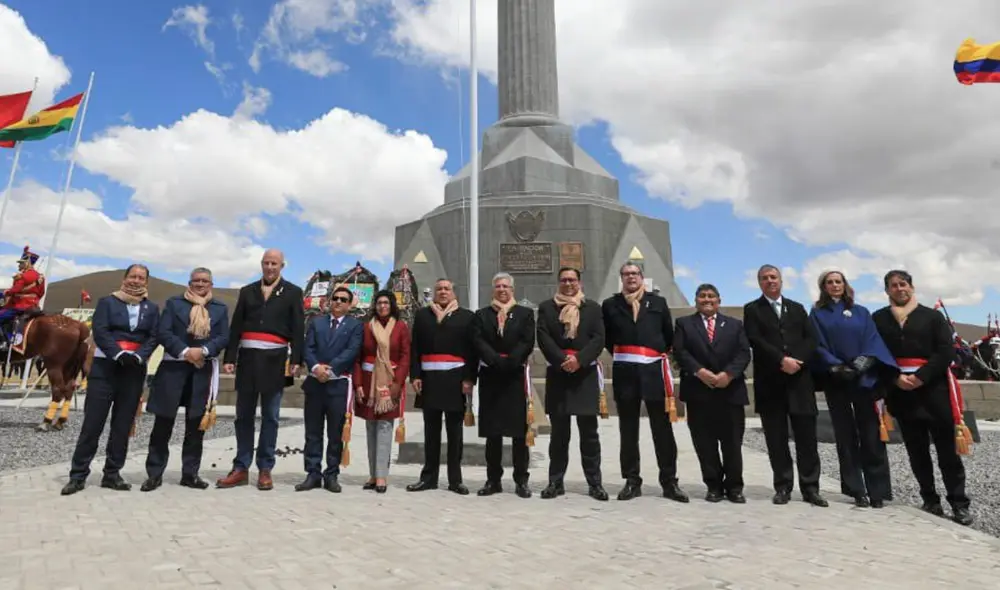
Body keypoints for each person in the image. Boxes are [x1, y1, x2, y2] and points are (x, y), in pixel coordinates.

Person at [872, 270, 973, 525]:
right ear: (887, 291)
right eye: (893, 286)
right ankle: (930, 499)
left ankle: (958, 502)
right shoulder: (879, 319)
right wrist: (895, 377)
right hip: (901, 393)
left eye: (902, 284)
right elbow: (875, 352)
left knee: (948, 452)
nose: (898, 289)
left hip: (934, 392)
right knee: (917, 452)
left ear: (911, 287)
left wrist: (921, 377)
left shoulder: (932, 317)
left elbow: (945, 350)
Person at [61, 264, 159, 495]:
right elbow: (101, 330)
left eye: (141, 277)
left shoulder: (152, 308)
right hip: (106, 368)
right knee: (93, 424)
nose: (136, 280)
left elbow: (154, 336)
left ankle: (112, 474)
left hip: (134, 369)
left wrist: (139, 356)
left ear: (146, 282)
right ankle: (78, 475)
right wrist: (118, 353)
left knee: (122, 425)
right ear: (124, 278)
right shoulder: (108, 303)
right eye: (132, 276)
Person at [217, 249, 305, 491]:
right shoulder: (248, 291)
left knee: (271, 417)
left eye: (274, 263)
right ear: (261, 265)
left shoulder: (293, 292)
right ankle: (241, 467)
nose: (269, 267)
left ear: (282, 266)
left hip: (275, 362)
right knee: (243, 416)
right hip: (247, 361)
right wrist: (230, 356)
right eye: (266, 263)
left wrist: (297, 359)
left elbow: (298, 328)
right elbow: (236, 326)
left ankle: (265, 468)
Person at [601, 262, 688, 502]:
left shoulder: (657, 303)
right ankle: (631, 480)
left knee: (662, 429)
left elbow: (667, 336)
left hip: (653, 373)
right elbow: (608, 338)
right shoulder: (610, 305)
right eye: (626, 274)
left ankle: (669, 481)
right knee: (628, 430)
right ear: (621, 278)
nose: (630, 277)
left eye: (634, 274)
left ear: (642, 277)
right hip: (625, 373)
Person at [742, 265, 828, 507]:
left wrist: (797, 360)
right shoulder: (752, 310)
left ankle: (811, 487)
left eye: (773, 277)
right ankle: (783, 486)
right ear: (759, 282)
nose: (770, 281)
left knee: (806, 439)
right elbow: (755, 340)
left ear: (781, 280)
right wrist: (781, 360)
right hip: (771, 383)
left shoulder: (797, 308)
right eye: (764, 278)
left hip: (800, 381)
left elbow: (811, 338)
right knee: (776, 439)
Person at [809, 270, 895, 508]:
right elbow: (815, 344)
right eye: (829, 282)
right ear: (823, 287)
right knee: (846, 436)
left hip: (863, 380)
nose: (835, 285)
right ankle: (856, 489)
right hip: (836, 382)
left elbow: (872, 340)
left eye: (838, 281)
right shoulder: (817, 314)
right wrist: (835, 366)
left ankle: (877, 490)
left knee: (871, 435)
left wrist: (860, 365)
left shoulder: (861, 312)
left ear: (845, 285)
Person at [140, 267, 229, 492]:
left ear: (211, 284)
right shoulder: (174, 303)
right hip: (173, 369)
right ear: (189, 282)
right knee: (163, 424)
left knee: (195, 425)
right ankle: (154, 474)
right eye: (196, 280)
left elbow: (223, 337)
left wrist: (205, 351)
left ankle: (190, 474)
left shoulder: (219, 308)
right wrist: (185, 352)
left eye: (205, 281)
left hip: (202, 371)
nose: (200, 284)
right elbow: (164, 332)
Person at [673, 283, 751, 503]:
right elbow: (680, 351)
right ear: (696, 300)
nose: (707, 300)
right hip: (699, 392)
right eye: (702, 296)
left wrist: (728, 375)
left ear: (719, 300)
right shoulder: (684, 324)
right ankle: (714, 486)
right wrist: (700, 372)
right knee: (704, 443)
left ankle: (735, 487)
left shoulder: (735, 325)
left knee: (732, 442)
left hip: (730, 391)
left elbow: (743, 353)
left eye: (711, 296)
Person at [536, 267, 608, 501]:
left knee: (589, 434)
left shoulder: (593, 308)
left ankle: (595, 483)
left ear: (580, 282)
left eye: (572, 280)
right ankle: (555, 482)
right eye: (564, 280)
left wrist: (579, 360)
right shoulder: (547, 308)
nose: (568, 283)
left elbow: (599, 338)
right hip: (559, 375)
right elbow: (543, 337)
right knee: (559, 435)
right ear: (558, 282)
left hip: (584, 374)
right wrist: (561, 360)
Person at [405, 278, 477, 495]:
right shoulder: (423, 316)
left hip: (455, 380)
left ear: (454, 292)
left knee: (455, 433)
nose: (443, 292)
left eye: (447, 288)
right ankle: (429, 478)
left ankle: (455, 480)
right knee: (431, 431)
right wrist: (415, 375)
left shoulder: (467, 317)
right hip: (429, 380)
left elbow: (472, 351)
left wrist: (469, 379)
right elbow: (415, 347)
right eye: (439, 289)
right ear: (434, 293)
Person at [471, 272, 536, 498]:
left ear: (512, 289)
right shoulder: (482, 315)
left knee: (519, 434)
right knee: (493, 433)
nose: (502, 290)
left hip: (515, 377)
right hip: (491, 377)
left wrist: (510, 362)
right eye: (498, 286)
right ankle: (493, 480)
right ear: (493, 289)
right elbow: (478, 340)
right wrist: (496, 361)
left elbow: (527, 341)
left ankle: (521, 480)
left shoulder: (525, 314)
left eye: (505, 286)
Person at [297, 285, 363, 492]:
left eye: (344, 299)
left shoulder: (355, 326)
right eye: (336, 298)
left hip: (338, 385)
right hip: (316, 384)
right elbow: (308, 348)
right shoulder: (317, 323)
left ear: (350, 304)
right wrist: (317, 368)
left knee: (335, 433)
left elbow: (352, 351)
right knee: (313, 432)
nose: (339, 302)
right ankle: (312, 473)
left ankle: (331, 474)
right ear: (330, 300)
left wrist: (331, 369)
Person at [352, 290, 410, 493]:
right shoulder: (366, 327)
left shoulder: (401, 327)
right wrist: (358, 384)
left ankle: (382, 476)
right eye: (379, 303)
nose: (382, 306)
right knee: (370, 428)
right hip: (368, 382)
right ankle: (372, 474)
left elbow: (405, 356)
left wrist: (398, 383)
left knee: (385, 427)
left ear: (392, 305)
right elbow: (358, 358)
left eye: (386, 302)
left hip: (389, 382)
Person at [0, 245, 45, 352]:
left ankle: (4, 341)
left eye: (21, 263)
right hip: (33, 305)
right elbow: (41, 293)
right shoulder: (40, 277)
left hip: (21, 305)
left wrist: (5, 292)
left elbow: (15, 290)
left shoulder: (23, 276)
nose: (19, 265)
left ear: (27, 263)